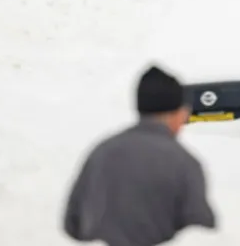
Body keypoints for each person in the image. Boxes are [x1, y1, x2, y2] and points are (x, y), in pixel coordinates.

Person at [63, 66, 217, 246]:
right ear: (177, 114)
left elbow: (72, 223)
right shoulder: (184, 163)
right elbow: (200, 232)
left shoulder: (101, 153)